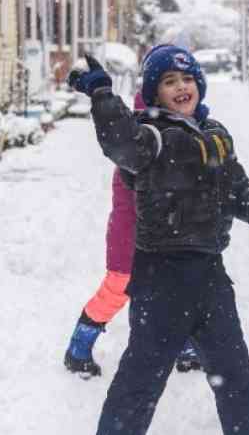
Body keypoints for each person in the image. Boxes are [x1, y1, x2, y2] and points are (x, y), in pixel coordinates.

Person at [69, 44, 249, 435]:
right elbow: (121, 143)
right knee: (139, 383)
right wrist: (102, 96)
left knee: (237, 379)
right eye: (169, 81)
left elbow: (237, 190)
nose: (181, 86)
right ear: (154, 93)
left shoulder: (216, 136)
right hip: (161, 280)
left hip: (210, 279)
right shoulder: (152, 136)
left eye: (187, 78)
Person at [63, 93, 202, 378]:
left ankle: (186, 347)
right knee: (117, 291)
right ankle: (78, 348)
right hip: (131, 241)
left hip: (165, 240)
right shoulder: (137, 155)